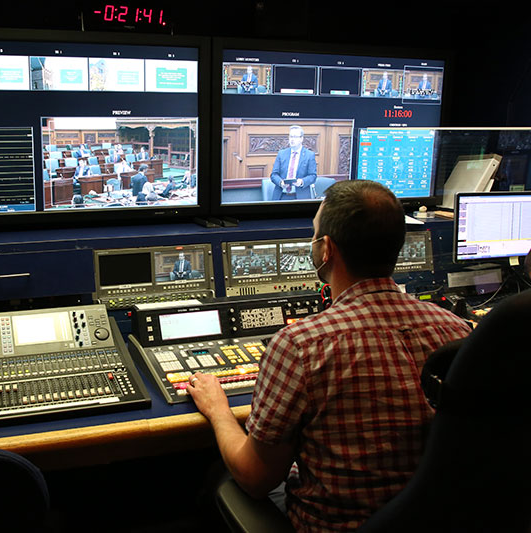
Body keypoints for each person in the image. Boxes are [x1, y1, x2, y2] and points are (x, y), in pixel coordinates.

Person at [187, 180, 472, 531]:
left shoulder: (300, 345)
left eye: (314, 234)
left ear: (326, 250)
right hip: (432, 519)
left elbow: (255, 478)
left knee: (221, 475)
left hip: (331, 525)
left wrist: (218, 411)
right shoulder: (458, 330)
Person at [269, 125, 317, 201]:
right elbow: (274, 175)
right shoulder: (281, 154)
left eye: (295, 137)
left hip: (300, 196)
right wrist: (281, 183)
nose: (292, 139)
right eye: (290, 136)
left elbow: (313, 176)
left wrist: (302, 181)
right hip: (281, 196)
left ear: (301, 139)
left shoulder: (309, 155)